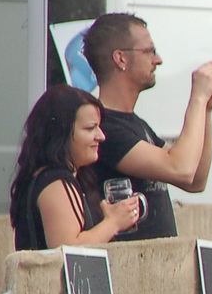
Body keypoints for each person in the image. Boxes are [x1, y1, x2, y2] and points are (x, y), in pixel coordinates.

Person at [81, 12, 212, 241]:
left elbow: (196, 179)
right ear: (121, 59)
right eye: (149, 51)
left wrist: (206, 110)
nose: (158, 60)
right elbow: (181, 169)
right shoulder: (105, 128)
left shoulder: (136, 124)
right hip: (130, 269)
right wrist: (197, 98)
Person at [9, 85, 142, 251]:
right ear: (60, 133)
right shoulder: (55, 183)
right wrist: (113, 222)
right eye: (90, 128)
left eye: (99, 127)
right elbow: (68, 249)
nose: (101, 136)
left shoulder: (52, 177)